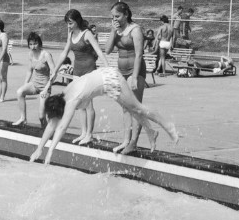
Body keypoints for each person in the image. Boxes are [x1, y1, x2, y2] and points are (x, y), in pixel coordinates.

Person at [29, 67, 179, 165]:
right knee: (132, 110)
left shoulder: (71, 101)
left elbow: (60, 127)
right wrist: (39, 149)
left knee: (138, 108)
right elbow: (52, 125)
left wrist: (50, 153)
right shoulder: (64, 93)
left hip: (110, 80)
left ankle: (168, 125)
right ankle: (151, 132)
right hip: (105, 79)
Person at [49, 9, 108, 145]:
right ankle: (83, 132)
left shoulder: (87, 34)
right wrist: (55, 71)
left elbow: (98, 50)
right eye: (67, 23)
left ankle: (89, 134)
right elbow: (64, 53)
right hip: (77, 70)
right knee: (80, 103)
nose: (68, 26)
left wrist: (106, 66)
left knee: (89, 104)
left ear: (77, 21)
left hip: (89, 70)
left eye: (70, 23)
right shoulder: (70, 35)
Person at [105, 1, 147, 155]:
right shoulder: (117, 30)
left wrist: (135, 77)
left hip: (135, 71)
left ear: (126, 14)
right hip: (122, 71)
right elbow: (108, 50)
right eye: (112, 17)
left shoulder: (135, 30)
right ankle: (125, 140)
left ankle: (134, 143)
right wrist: (112, 31)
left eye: (117, 16)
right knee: (125, 107)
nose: (114, 19)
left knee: (135, 107)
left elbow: (139, 54)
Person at [12, 32, 55, 128]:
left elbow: (54, 73)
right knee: (20, 92)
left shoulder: (46, 55)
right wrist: (25, 84)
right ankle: (23, 118)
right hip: (35, 84)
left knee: (41, 117)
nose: (33, 46)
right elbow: (29, 71)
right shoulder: (30, 54)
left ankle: (46, 129)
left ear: (39, 43)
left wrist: (47, 88)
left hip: (45, 86)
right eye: (30, 44)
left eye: (35, 44)